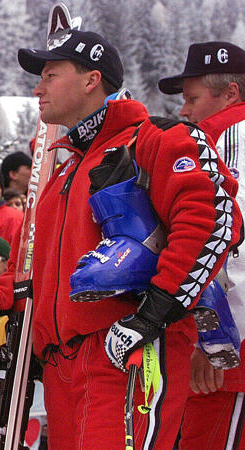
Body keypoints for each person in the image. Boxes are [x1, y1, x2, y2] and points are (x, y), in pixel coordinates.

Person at [0, 30, 242, 448]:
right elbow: (39, 267)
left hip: (127, 357)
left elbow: (213, 221)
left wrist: (155, 311)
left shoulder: (152, 138)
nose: (37, 88)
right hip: (62, 365)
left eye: (49, 74)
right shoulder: (62, 172)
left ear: (90, 79)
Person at [158, 41, 245, 450]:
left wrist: (211, 340)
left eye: (192, 98)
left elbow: (227, 242)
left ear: (230, 93)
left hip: (231, 354)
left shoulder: (226, 136)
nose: (184, 111)